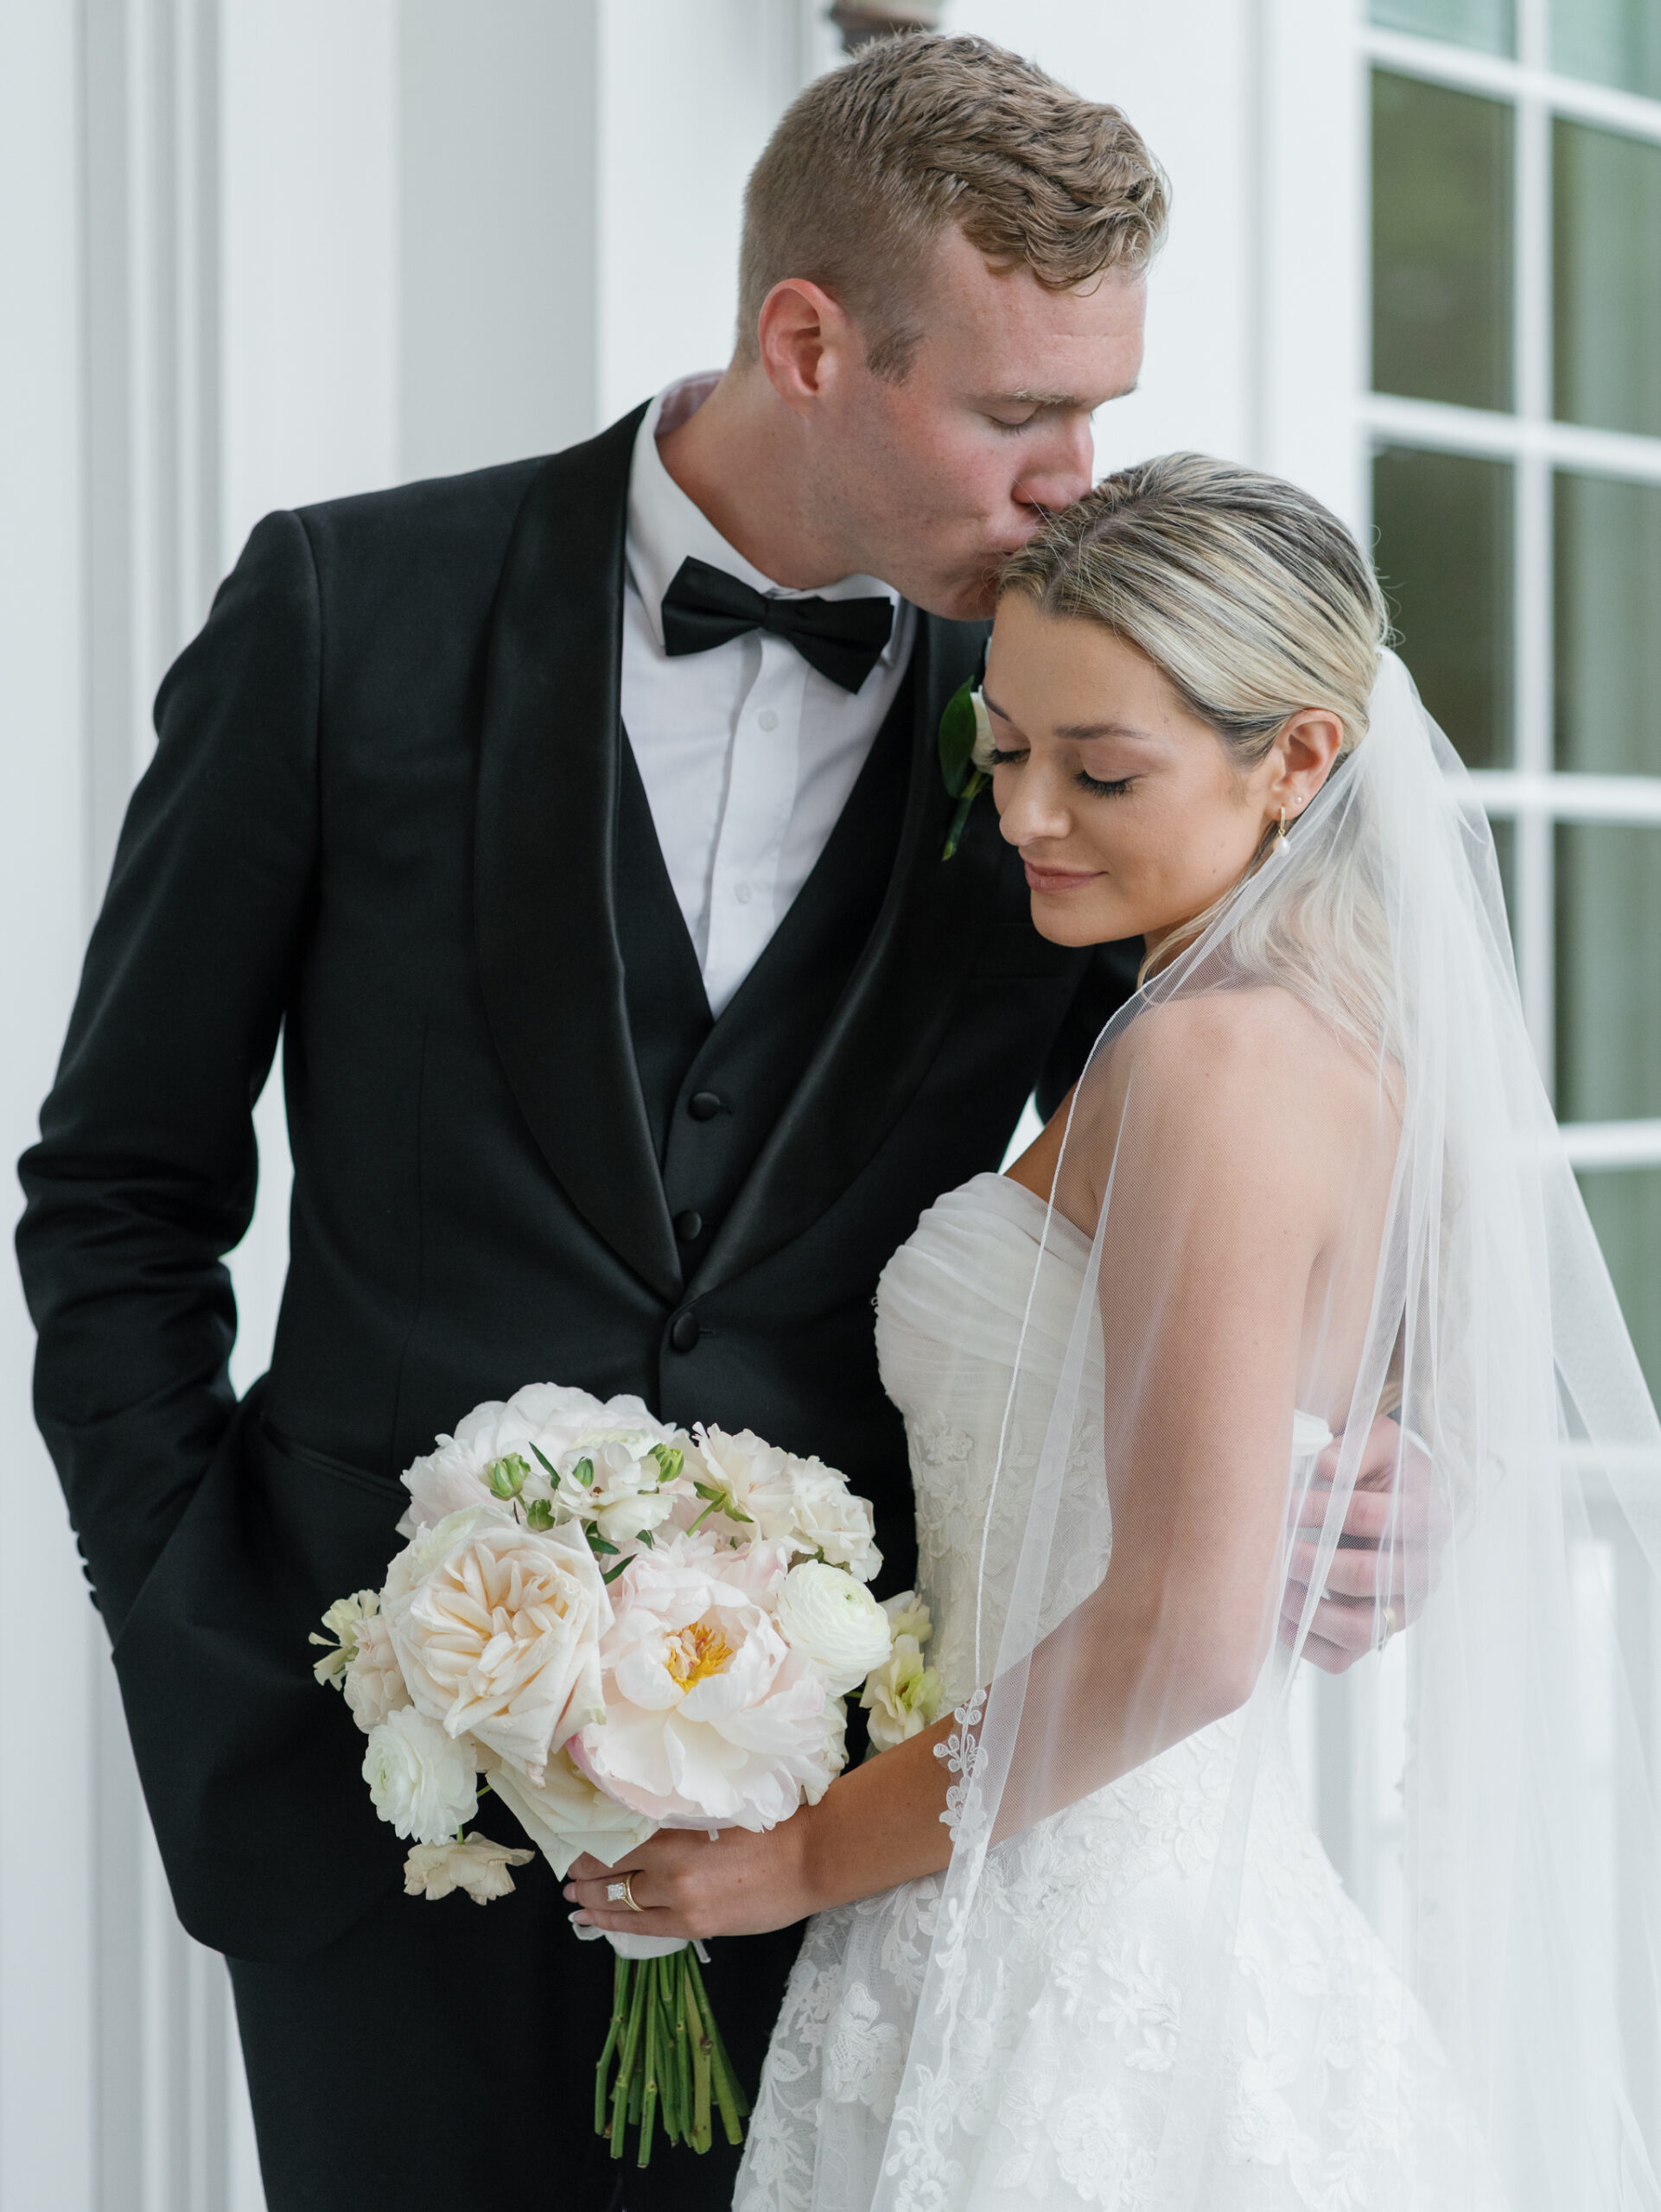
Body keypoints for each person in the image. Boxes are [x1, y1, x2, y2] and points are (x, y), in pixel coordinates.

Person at [18, 35, 1408, 2212]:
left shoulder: (1069, 724)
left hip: (869, 1827)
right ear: (810, 341)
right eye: (1019, 414)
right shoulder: (347, 611)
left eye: (1101, 409)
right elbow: (117, 1191)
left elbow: (1211, 1147)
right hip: (372, 1788)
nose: (1077, 482)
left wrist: (1381, 1454)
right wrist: (202, 1634)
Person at [565, 457, 1661, 2210]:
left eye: (1101, 771)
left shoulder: (1215, 1060)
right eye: (1002, 748)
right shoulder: (1287, 1024)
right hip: (1019, 1855)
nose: (1027, 815)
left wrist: (805, 1857)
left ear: (1295, 758)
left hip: (1073, 1925)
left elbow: (1184, 1631)